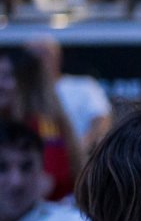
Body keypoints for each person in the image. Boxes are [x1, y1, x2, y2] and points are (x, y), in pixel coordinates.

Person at [0, 47, 82, 202]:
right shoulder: (9, 123)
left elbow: (49, 184)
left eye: (6, 77)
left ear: (27, 82)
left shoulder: (45, 124)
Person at [25, 37, 114, 157]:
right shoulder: (22, 93)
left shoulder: (84, 86)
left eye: (45, 54)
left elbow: (102, 120)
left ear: (57, 57)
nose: (40, 60)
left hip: (77, 160)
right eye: (34, 55)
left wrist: (79, 148)